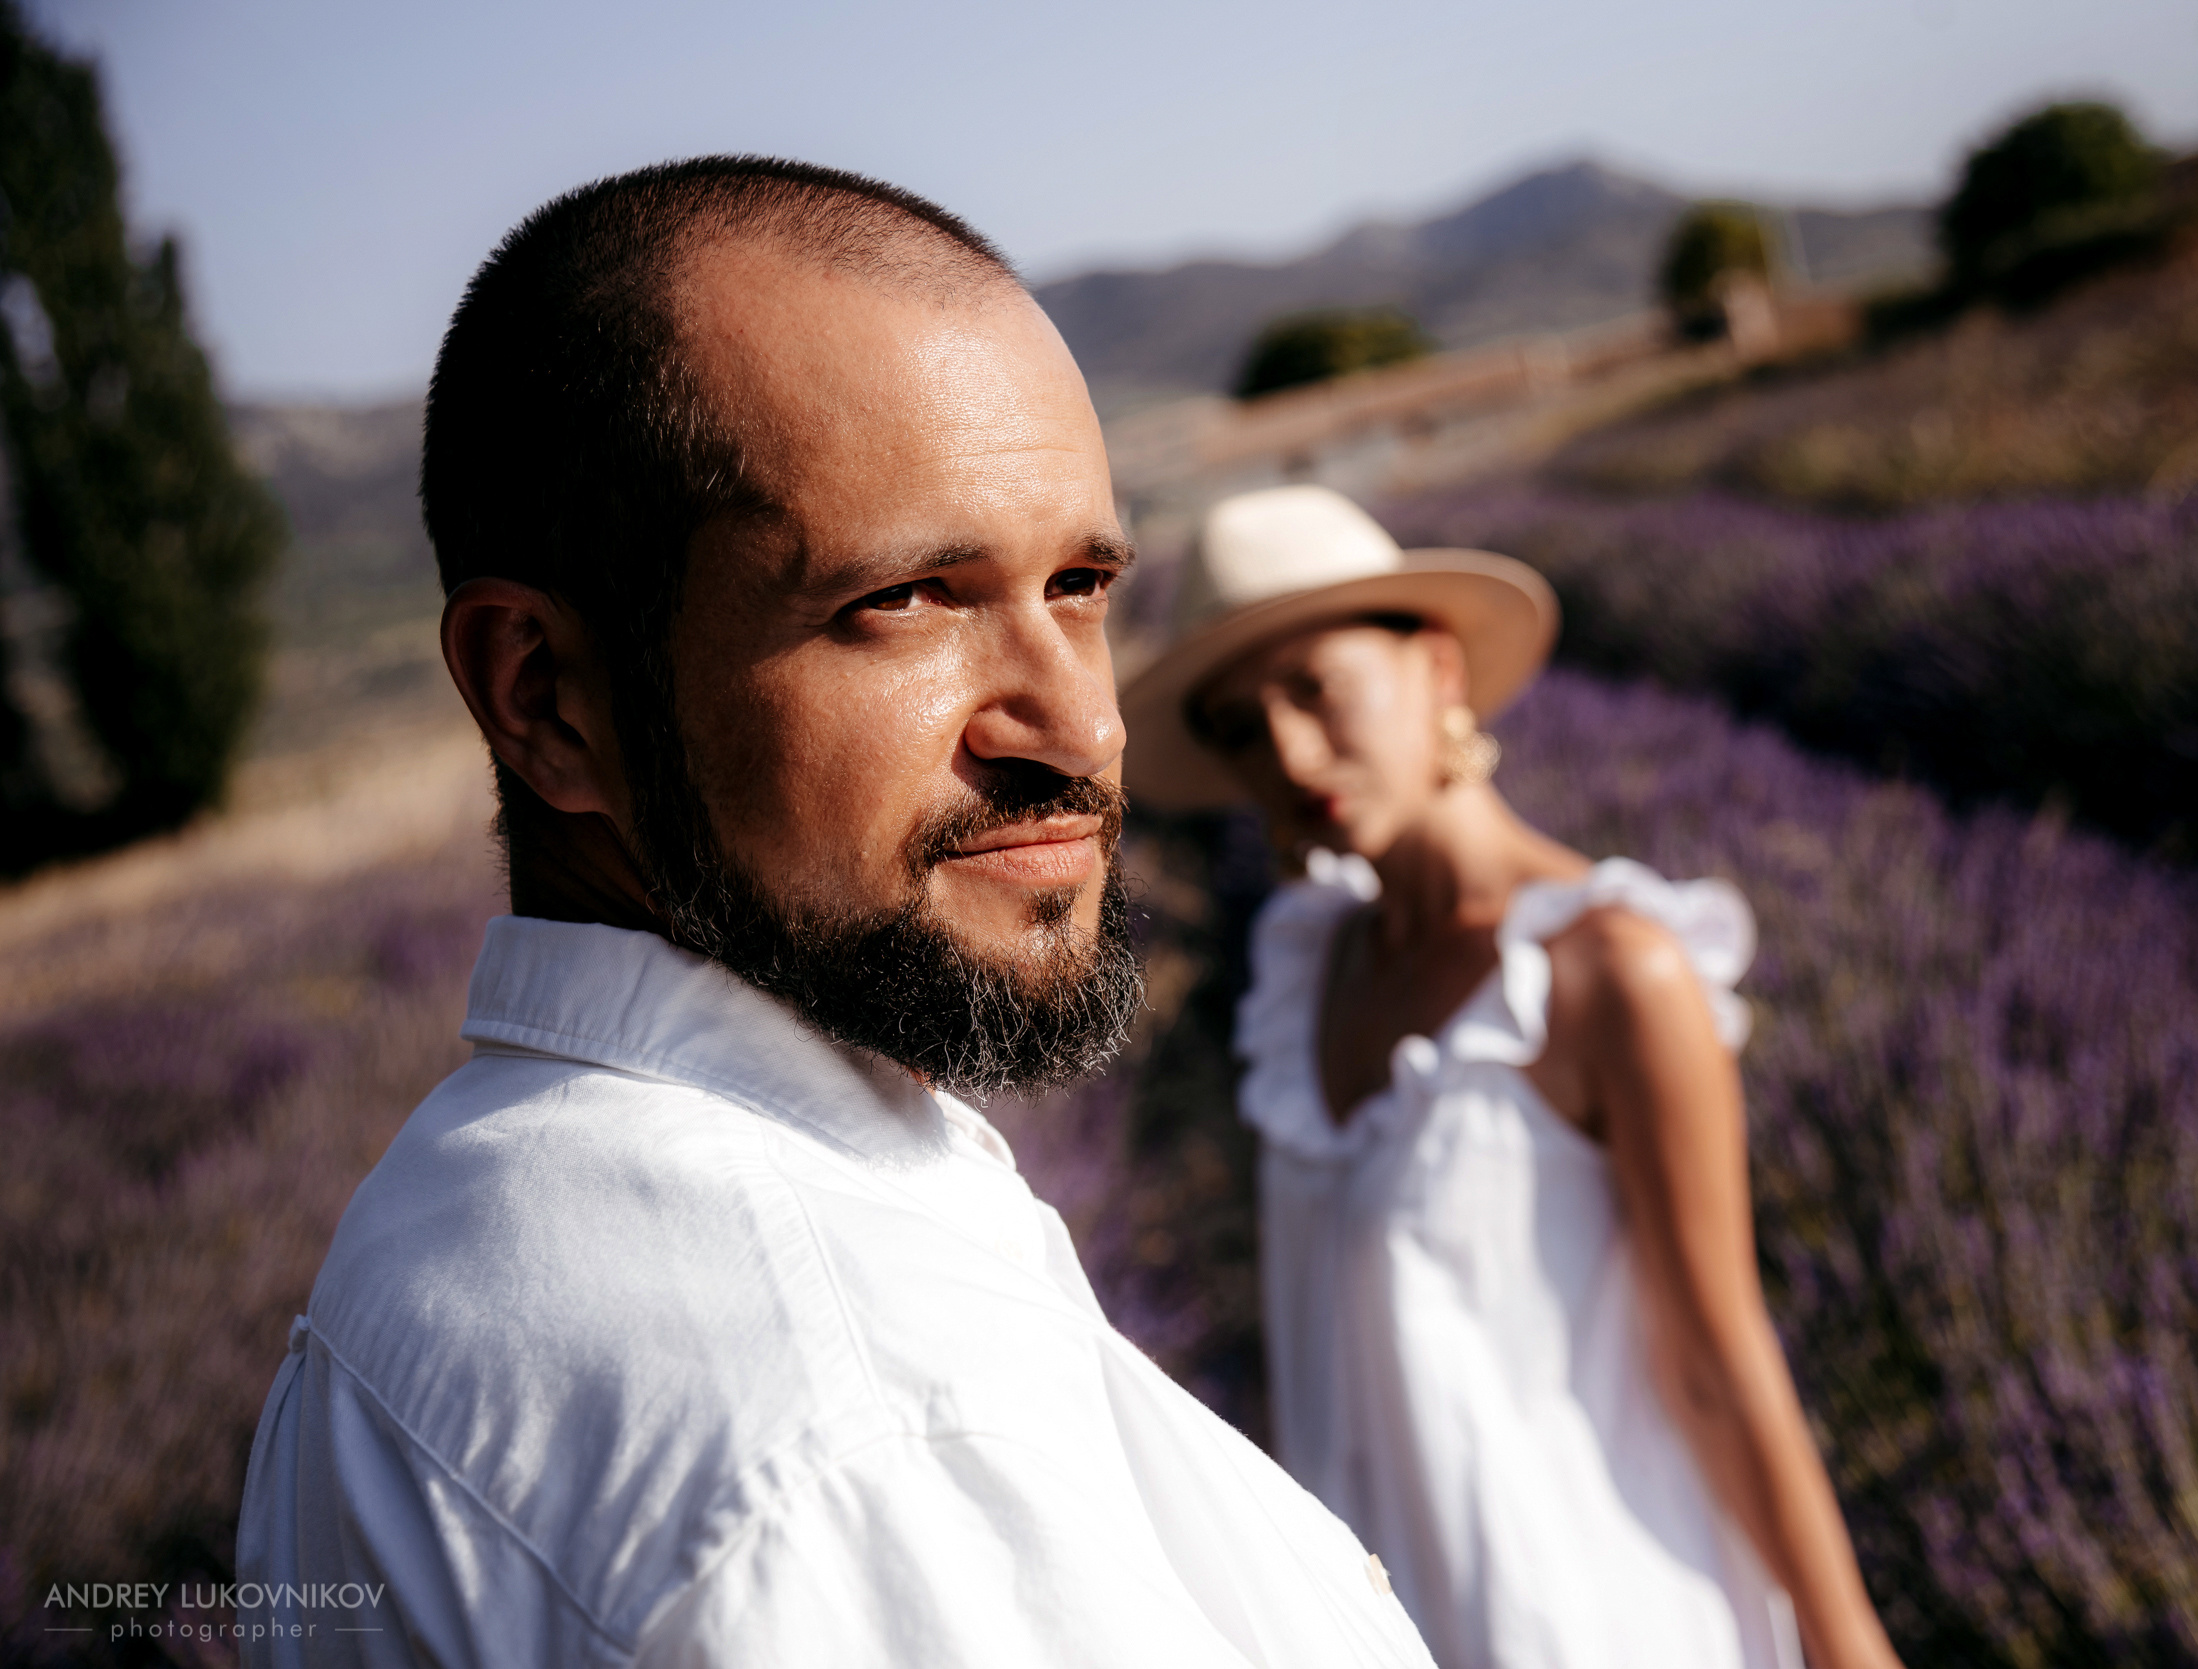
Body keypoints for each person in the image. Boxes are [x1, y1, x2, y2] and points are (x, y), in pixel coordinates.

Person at [234, 162, 1433, 1668]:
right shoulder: (851, 1437)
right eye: (910, 598)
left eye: (1079, 583)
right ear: (547, 698)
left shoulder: (430, 1237)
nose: (1082, 729)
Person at [1120, 486, 1902, 1669]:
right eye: (1237, 724)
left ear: (1436, 669)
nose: (1282, 752)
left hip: (1586, 1614)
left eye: (1314, 688)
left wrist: (1850, 1649)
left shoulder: (1607, 972)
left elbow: (1720, 1362)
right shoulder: (1308, 965)